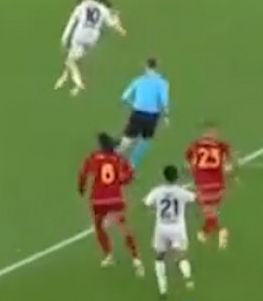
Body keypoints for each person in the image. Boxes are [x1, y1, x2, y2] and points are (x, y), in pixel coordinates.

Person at [77, 132, 144, 275]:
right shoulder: (119, 159)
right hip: (115, 199)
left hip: (98, 200)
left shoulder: (93, 157)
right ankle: (136, 258)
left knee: (98, 226)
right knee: (124, 227)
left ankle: (108, 256)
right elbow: (129, 177)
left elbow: (83, 174)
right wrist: (120, 182)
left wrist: (81, 188)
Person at [56, 0, 125, 95]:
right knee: (74, 58)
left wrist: (64, 38)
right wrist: (121, 30)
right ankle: (66, 79)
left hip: (80, 35)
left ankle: (78, 83)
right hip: (93, 38)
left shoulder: (81, 7)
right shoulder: (102, 8)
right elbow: (112, 24)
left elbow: (71, 23)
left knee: (71, 60)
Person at [143, 165, 197, 298]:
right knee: (180, 255)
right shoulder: (181, 192)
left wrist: (153, 209)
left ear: (164, 176)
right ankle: (187, 277)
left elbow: (146, 203)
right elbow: (195, 198)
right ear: (176, 177)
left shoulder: (157, 191)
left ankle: (163, 289)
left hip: (162, 228)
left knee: (160, 256)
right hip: (177, 228)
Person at [186, 124, 234, 249]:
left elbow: (190, 165)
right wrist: (231, 178)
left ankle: (216, 230)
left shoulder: (194, 146)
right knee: (211, 211)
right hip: (218, 184)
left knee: (207, 211)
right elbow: (229, 165)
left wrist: (193, 177)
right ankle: (206, 232)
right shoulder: (222, 146)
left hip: (203, 184)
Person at [118, 58, 169, 167]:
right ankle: (132, 164)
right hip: (152, 116)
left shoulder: (138, 80)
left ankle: (115, 158)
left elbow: (124, 97)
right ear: (156, 67)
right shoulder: (162, 83)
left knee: (127, 139)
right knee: (145, 141)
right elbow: (164, 101)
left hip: (138, 113)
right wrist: (166, 116)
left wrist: (133, 104)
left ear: (146, 67)